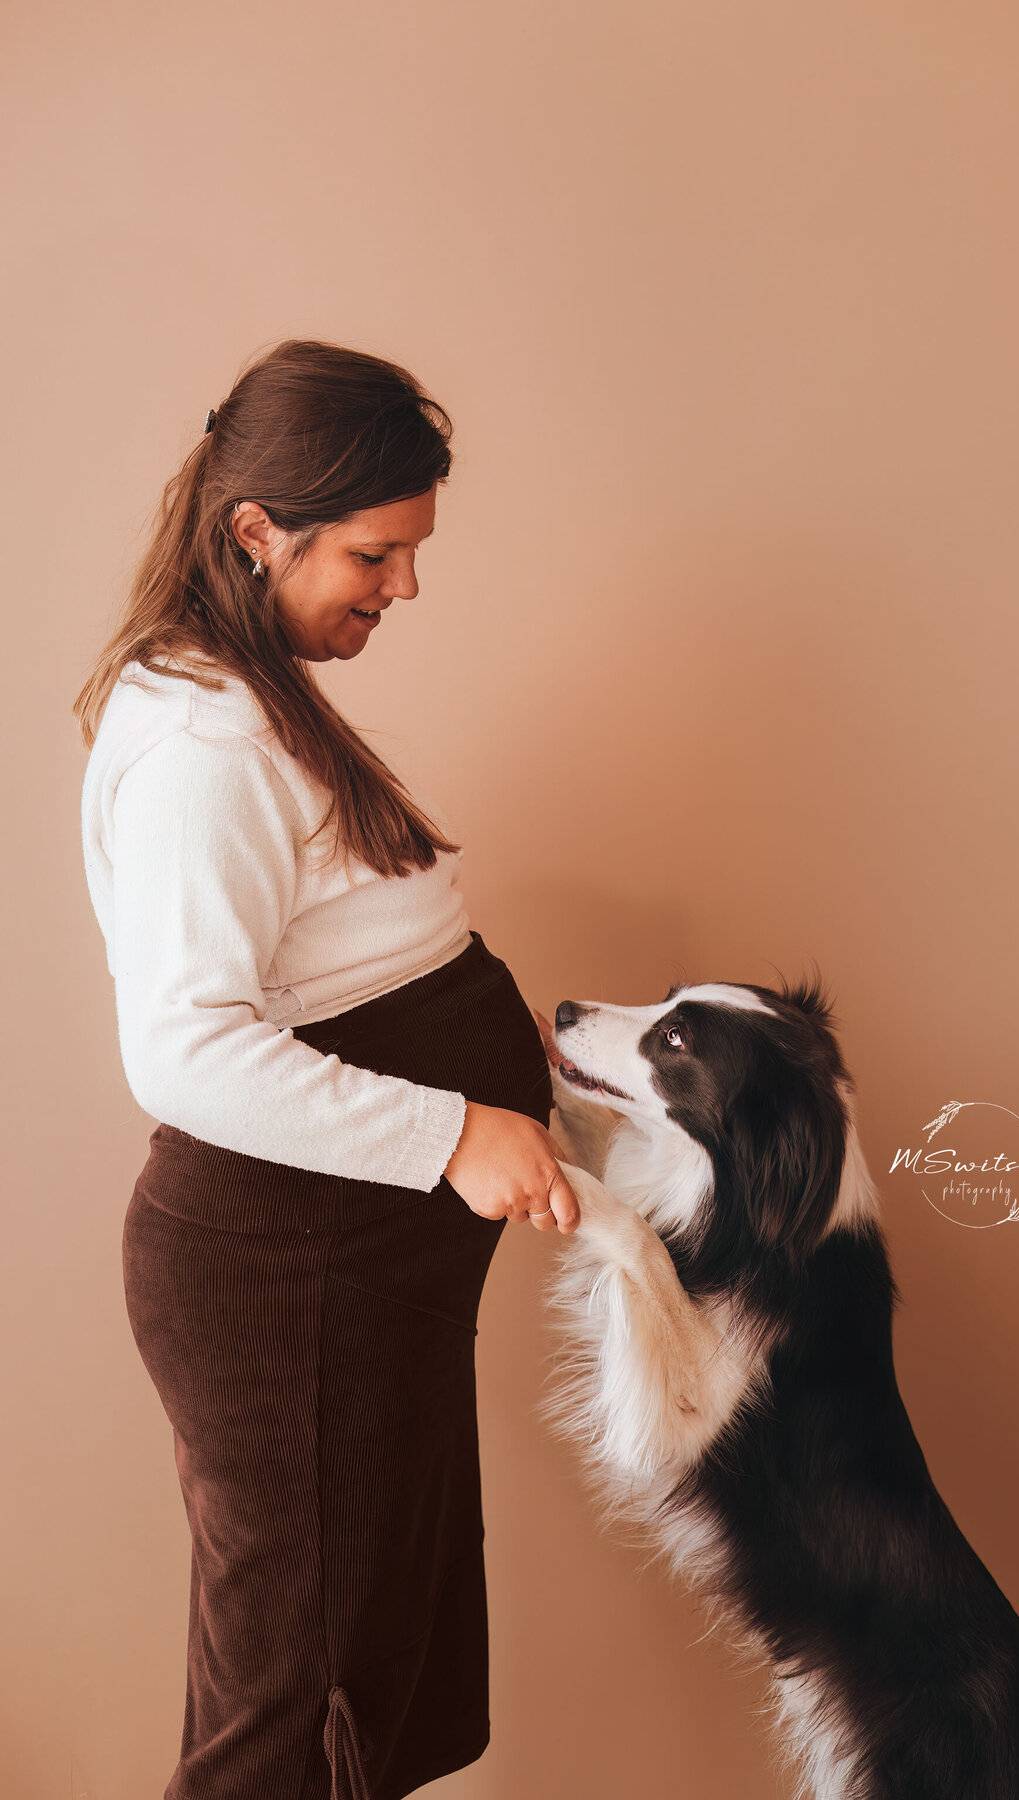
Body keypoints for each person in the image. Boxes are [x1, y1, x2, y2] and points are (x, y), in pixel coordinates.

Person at [74, 338, 580, 1800]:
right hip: (294, 1286)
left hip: (356, 1280)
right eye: (376, 553)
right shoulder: (202, 743)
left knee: (356, 1688)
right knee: (288, 1729)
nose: (403, 588)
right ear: (258, 531)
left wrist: (489, 1043)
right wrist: (452, 1129)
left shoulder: (248, 690)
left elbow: (337, 956)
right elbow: (182, 1049)